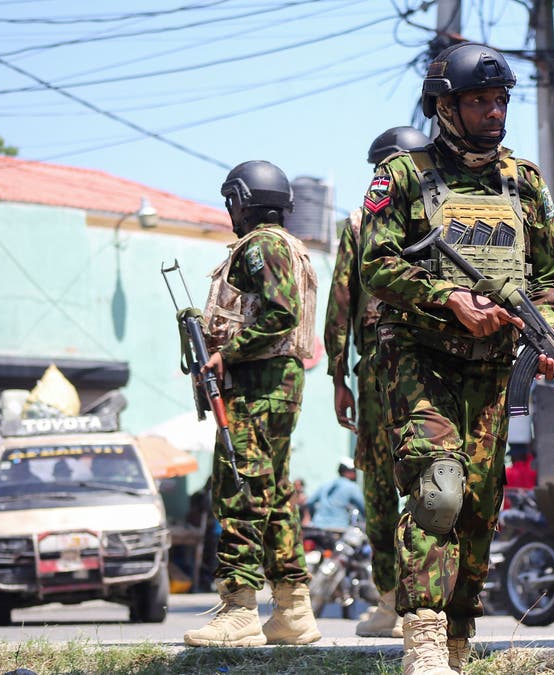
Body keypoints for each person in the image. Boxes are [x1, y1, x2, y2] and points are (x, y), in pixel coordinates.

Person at [358, 42, 554, 675]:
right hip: (420, 359)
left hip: (494, 367)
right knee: (438, 491)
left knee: (480, 503)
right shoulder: (399, 176)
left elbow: (551, 278)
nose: (493, 112)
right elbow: (376, 264)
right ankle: (421, 635)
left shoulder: (523, 182)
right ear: (445, 107)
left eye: (500, 100)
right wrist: (447, 296)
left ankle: (457, 634)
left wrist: (550, 333)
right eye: (478, 100)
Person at [182, 160, 321, 648]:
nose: (229, 212)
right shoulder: (290, 247)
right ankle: (292, 610)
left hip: (260, 383)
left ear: (243, 200)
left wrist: (225, 353)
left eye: (231, 202)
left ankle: (239, 606)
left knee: (239, 487)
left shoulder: (262, 246)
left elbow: (280, 314)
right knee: (275, 492)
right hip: (276, 382)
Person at [324, 124, 431, 639]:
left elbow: (341, 303)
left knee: (385, 487)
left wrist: (336, 376)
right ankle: (423, 605)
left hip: (381, 369)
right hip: (433, 370)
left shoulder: (362, 220)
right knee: (429, 479)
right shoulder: (446, 216)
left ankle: (394, 603)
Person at [307, 458, 367, 530]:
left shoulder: (325, 485)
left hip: (317, 527)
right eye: (354, 471)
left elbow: (309, 502)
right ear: (348, 471)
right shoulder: (352, 487)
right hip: (339, 528)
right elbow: (364, 507)